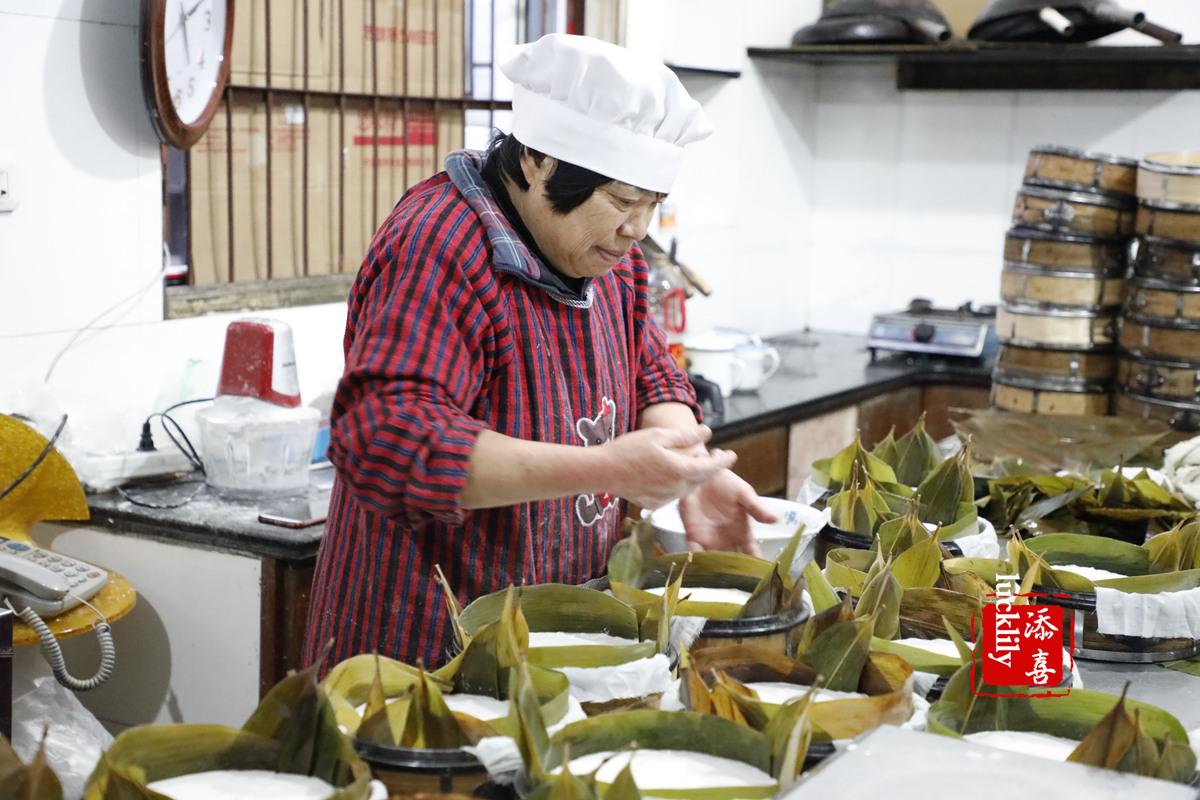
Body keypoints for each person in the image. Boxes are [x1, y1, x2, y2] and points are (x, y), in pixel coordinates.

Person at [302, 33, 777, 671]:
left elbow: (651, 371)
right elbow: (387, 436)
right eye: (620, 200)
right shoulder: (441, 246)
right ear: (535, 162)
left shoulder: (613, 258)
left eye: (652, 204)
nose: (636, 229)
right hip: (423, 646)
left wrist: (691, 468)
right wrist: (606, 469)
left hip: (555, 632)